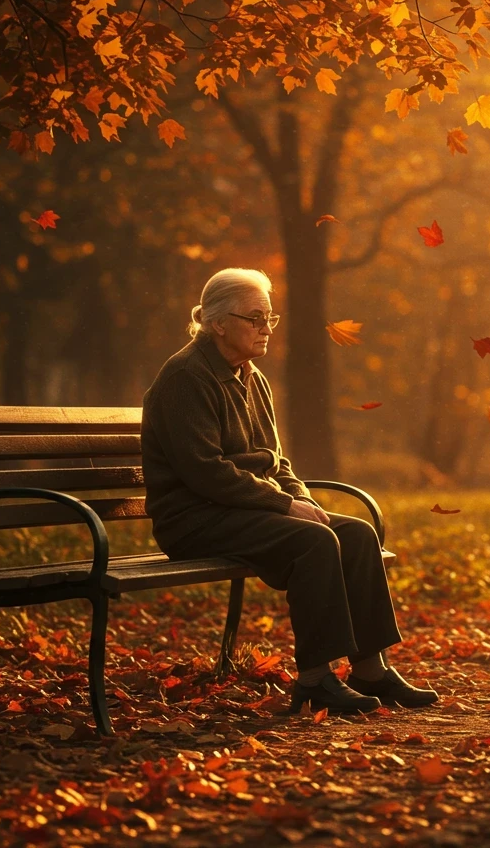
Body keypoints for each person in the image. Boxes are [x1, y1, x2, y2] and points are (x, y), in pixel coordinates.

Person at [141, 268, 438, 715]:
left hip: (242, 509)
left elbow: (276, 462)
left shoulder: (251, 376)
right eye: (255, 318)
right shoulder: (186, 377)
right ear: (218, 323)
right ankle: (315, 680)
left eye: (270, 319)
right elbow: (206, 473)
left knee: (354, 533)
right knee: (314, 540)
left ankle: (371, 670)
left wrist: (305, 501)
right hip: (193, 517)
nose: (265, 329)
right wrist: (285, 505)